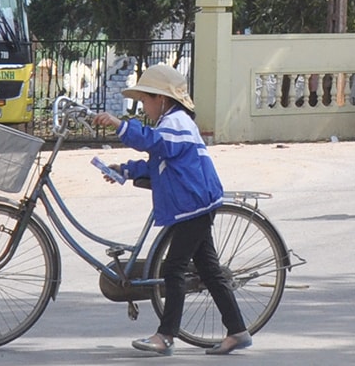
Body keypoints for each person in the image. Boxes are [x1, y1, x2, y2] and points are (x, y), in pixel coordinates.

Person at [95, 64, 249, 357]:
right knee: (208, 269)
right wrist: (125, 170)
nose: (144, 106)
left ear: (162, 99)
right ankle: (238, 330)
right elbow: (158, 160)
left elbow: (154, 144)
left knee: (174, 267)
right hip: (192, 206)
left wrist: (119, 125)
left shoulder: (177, 122)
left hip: (194, 205)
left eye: (145, 100)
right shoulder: (171, 123)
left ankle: (165, 336)